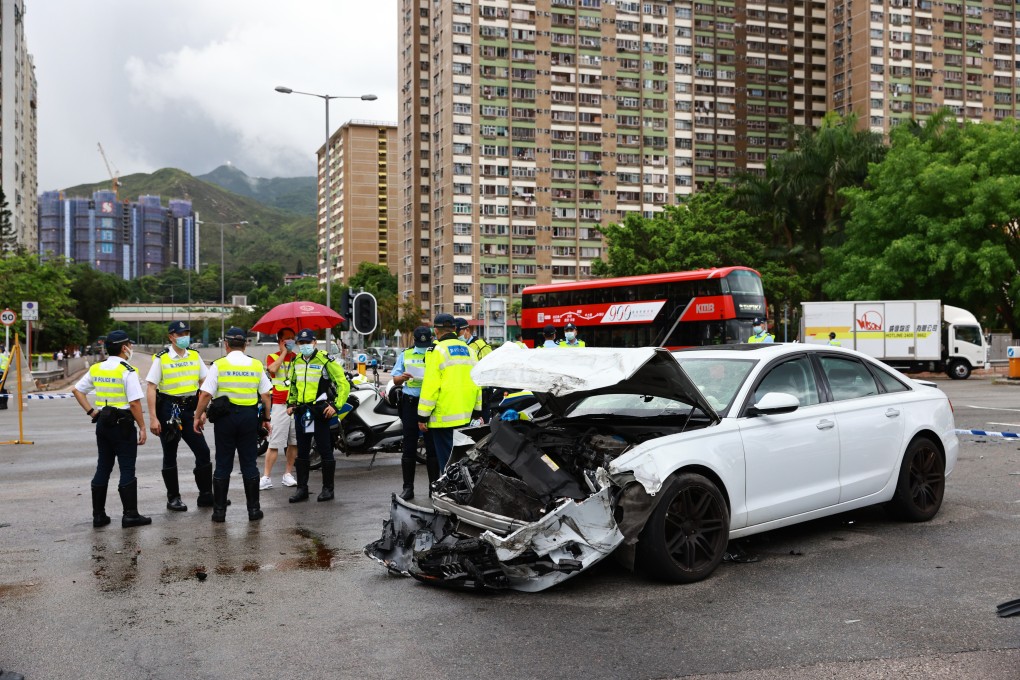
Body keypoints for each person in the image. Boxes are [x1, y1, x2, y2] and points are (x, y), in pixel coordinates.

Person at [71, 329, 150, 529]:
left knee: (103, 467)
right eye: (130, 345)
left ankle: (99, 516)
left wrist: (91, 412)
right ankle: (130, 515)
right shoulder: (128, 370)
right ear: (125, 348)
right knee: (126, 468)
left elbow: (77, 391)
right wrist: (142, 426)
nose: (131, 349)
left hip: (103, 423)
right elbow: (134, 404)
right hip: (123, 424)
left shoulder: (97, 369)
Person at [193, 327, 273, 522]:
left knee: (223, 463)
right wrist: (266, 418)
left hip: (225, 419)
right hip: (248, 418)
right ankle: (253, 511)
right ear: (246, 344)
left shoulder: (219, 365)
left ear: (226, 344)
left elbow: (205, 394)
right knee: (249, 463)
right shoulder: (255, 365)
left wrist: (197, 415)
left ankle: (219, 512)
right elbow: (266, 395)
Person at [145, 320, 212, 512]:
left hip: (191, 409)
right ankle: (173, 498)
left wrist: (203, 410)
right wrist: (153, 417)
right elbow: (151, 387)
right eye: (180, 334)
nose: (184, 337)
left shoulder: (194, 356)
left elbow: (204, 382)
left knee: (203, 451)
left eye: (187, 333)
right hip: (169, 410)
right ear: (171, 337)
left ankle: (206, 495)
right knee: (170, 453)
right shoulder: (162, 358)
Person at [285, 328, 350, 503]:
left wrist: (336, 406)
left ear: (314, 342)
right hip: (302, 412)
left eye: (308, 342)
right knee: (303, 451)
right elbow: (292, 384)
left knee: (324, 450)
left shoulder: (325, 360)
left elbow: (343, 384)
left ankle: (328, 490)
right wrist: (290, 403)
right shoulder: (296, 360)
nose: (304, 346)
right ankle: (302, 489)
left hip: (320, 411)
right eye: (301, 343)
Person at [418, 314, 482, 472]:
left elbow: (430, 386)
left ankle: (451, 495)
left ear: (436, 331)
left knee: (447, 465)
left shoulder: (436, 351)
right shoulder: (470, 351)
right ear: (455, 329)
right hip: (466, 416)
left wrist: (422, 416)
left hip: (443, 418)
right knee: (462, 461)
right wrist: (477, 411)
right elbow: (477, 383)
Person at [391, 326, 438, 500]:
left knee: (431, 446)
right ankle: (408, 488)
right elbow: (395, 379)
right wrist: (402, 377)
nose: (423, 347)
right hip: (411, 403)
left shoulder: (436, 353)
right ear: (415, 341)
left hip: (431, 404)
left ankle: (434, 488)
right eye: (420, 344)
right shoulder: (406, 354)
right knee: (409, 445)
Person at [260, 327, 299, 490]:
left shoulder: (298, 358)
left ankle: (288, 474)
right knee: (274, 442)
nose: (290, 341)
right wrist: (284, 353)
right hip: (279, 405)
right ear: (280, 341)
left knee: (294, 442)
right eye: (287, 339)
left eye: (292, 338)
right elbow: (273, 370)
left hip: (295, 406)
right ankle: (266, 477)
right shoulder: (272, 357)